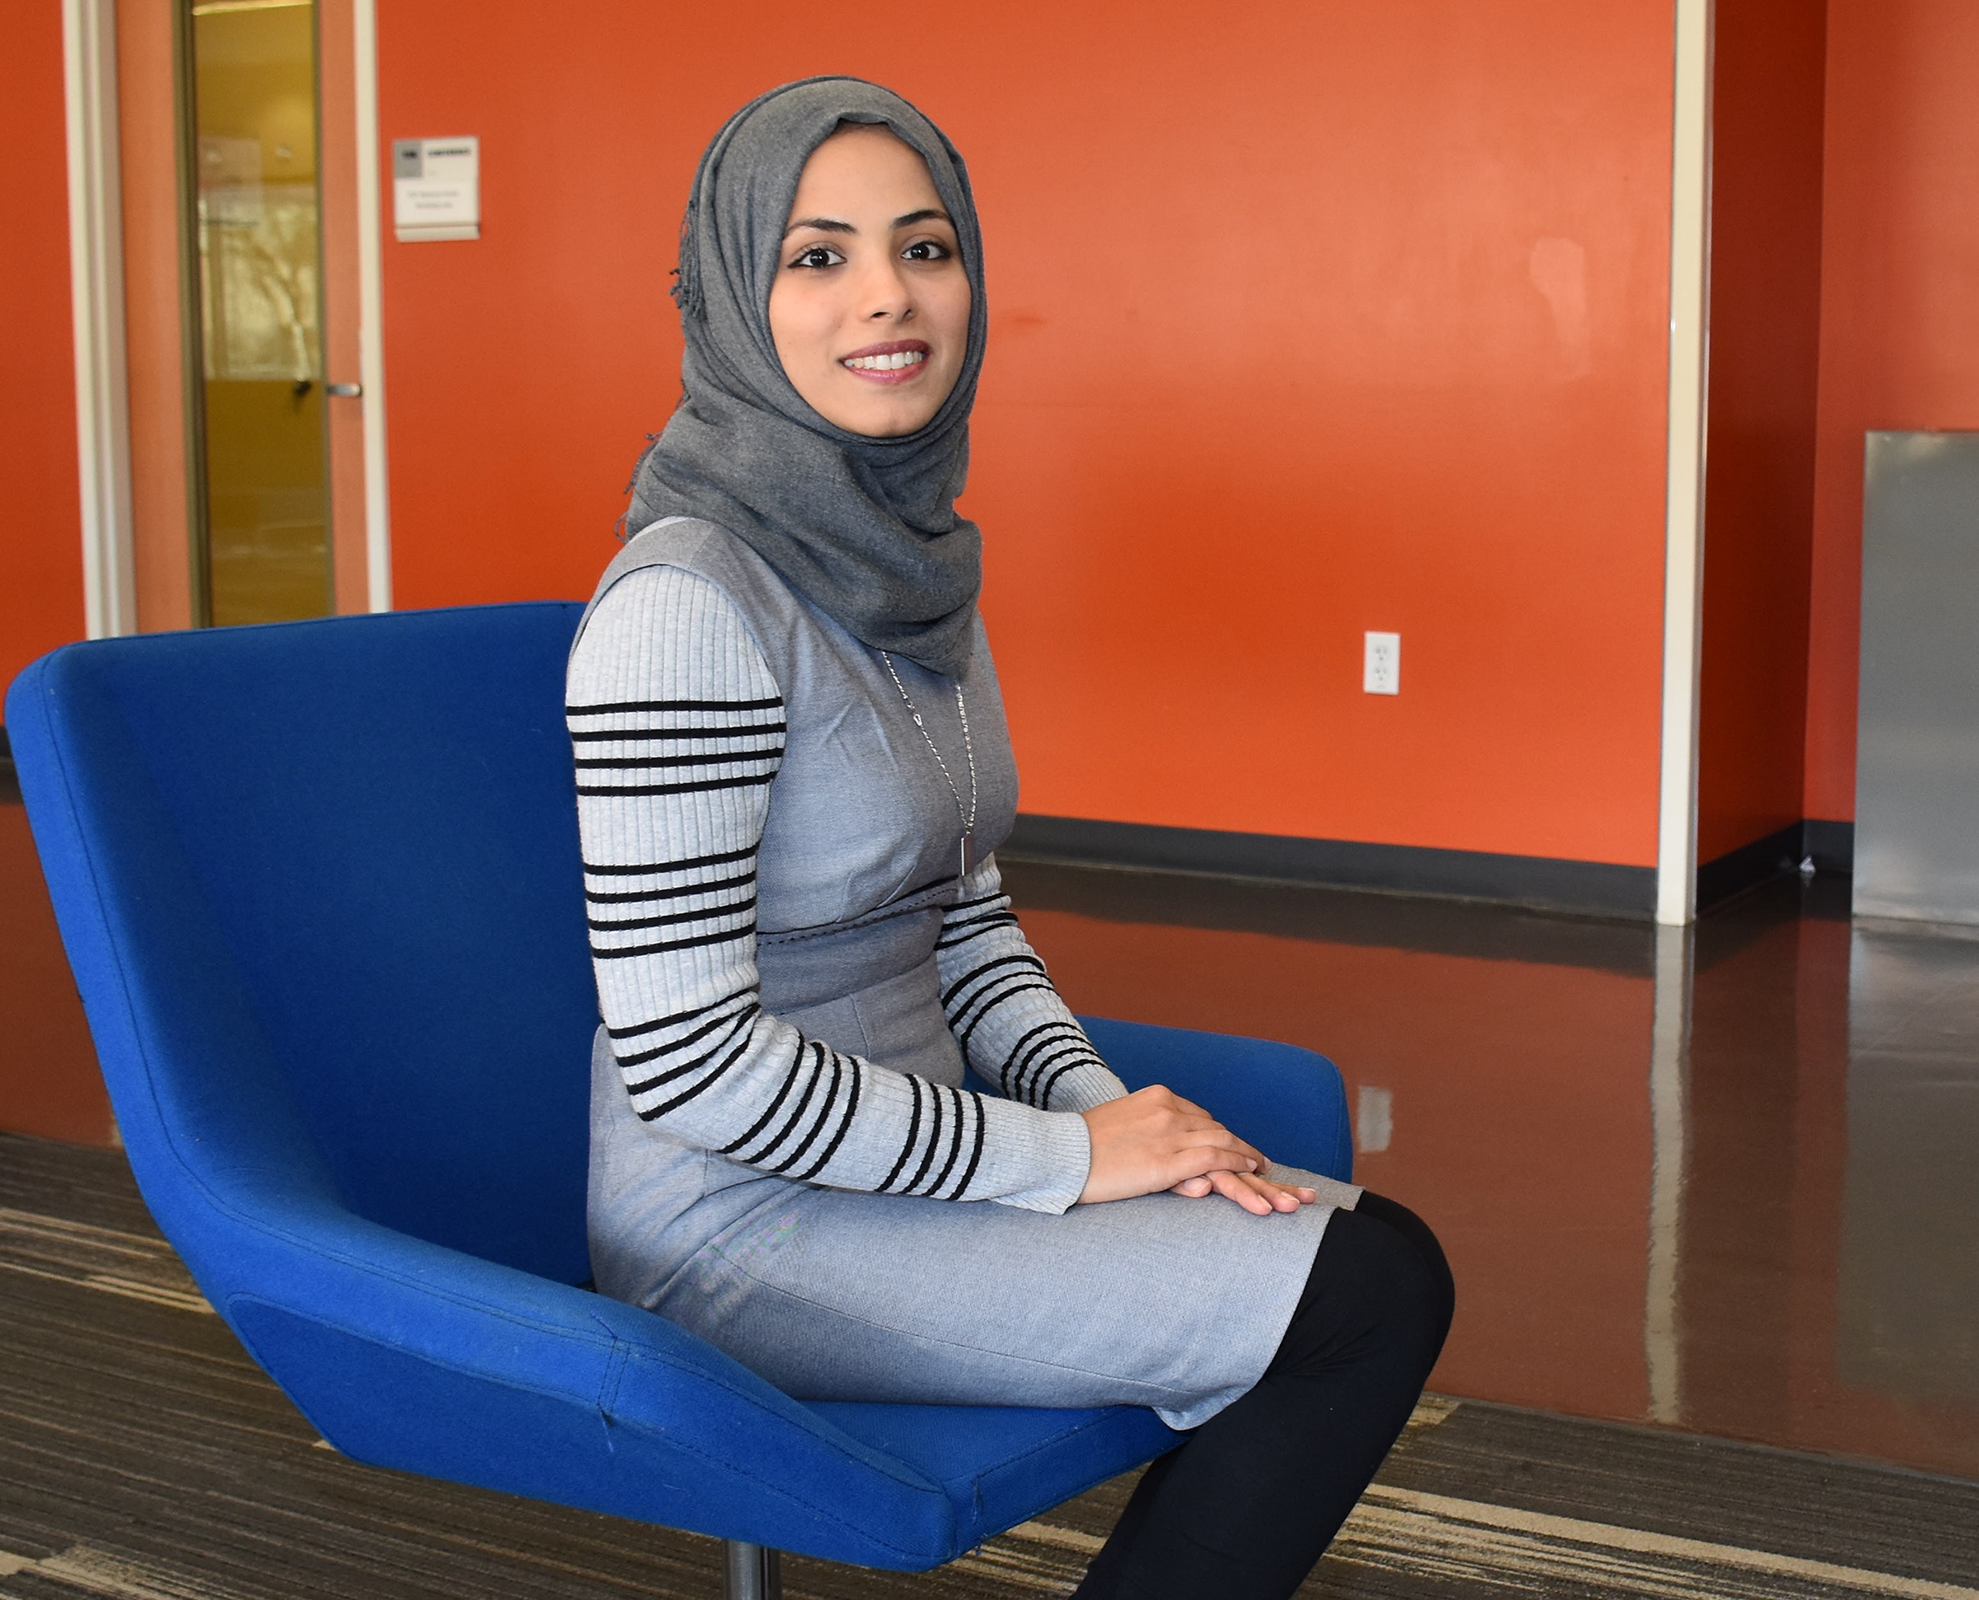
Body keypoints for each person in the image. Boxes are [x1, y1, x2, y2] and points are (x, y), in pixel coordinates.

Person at [567, 76, 1453, 1599]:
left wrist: (1121, 1126)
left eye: (926, 247)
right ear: (732, 291)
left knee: (1364, 1254)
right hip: (742, 1223)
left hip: (912, 1165)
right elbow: (689, 1066)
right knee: (1367, 1291)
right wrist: (1062, 1155)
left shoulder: (905, 564)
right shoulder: (686, 608)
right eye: (819, 256)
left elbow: (964, 917)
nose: (889, 299)